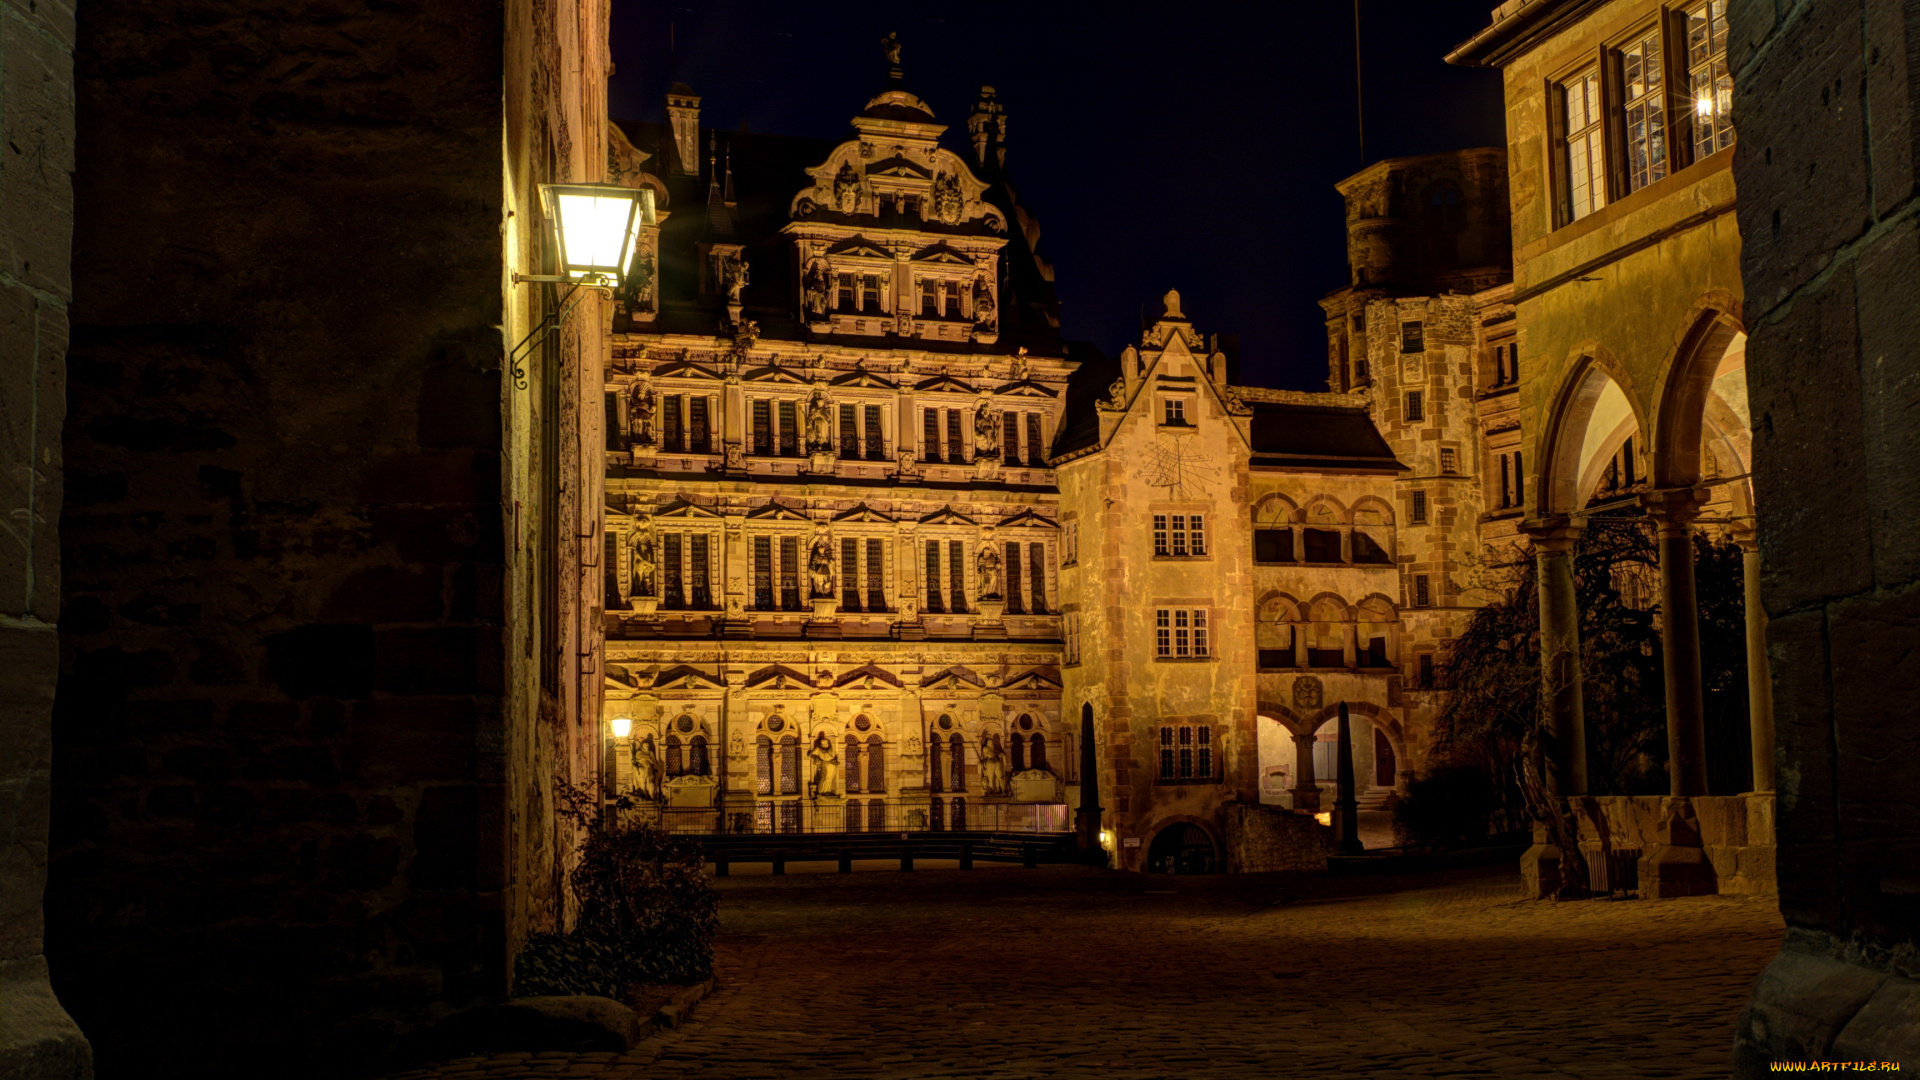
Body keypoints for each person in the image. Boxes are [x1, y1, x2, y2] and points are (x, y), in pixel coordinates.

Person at [807, 731, 841, 798]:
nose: (825, 745)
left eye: (826, 744)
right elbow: (810, 755)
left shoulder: (830, 749)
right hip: (824, 764)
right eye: (824, 744)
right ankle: (821, 791)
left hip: (831, 765)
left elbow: (834, 756)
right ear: (821, 744)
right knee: (824, 778)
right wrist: (816, 758)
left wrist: (835, 762)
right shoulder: (818, 749)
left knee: (830, 778)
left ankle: (828, 791)